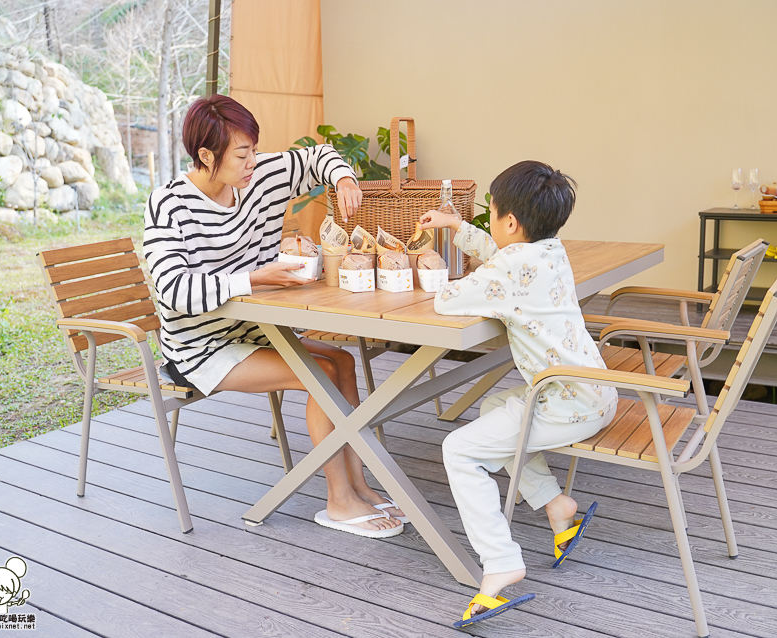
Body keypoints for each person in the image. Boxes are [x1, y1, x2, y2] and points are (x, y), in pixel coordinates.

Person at [143, 94, 405, 538]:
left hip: (258, 333)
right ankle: (338, 502)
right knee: (320, 372)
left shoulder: (260, 175)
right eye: (242, 154)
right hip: (201, 349)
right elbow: (172, 289)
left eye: (254, 150)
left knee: (342, 362)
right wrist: (253, 278)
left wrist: (341, 177)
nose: (253, 163)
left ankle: (358, 485)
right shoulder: (171, 205)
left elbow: (317, 156)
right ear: (206, 156)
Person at [419, 160, 618, 626]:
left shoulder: (507, 269)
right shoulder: (550, 250)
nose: (488, 219)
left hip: (565, 404)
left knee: (459, 450)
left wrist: (435, 268)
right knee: (493, 407)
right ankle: (557, 505)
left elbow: (447, 300)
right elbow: (501, 253)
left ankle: (501, 562)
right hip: (593, 392)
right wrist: (458, 226)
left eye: (490, 211)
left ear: (509, 220)